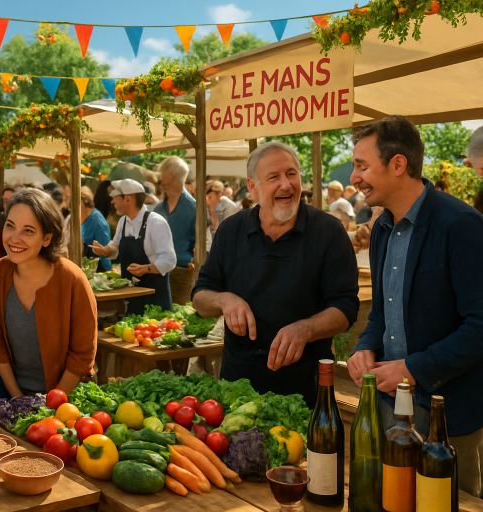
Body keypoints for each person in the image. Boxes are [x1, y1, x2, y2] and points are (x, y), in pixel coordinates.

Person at [346, 115, 483, 497]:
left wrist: (412, 369)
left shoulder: (461, 225)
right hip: (391, 409)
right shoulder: (381, 230)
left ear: (398, 164)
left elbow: (480, 326)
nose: (355, 177)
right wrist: (364, 348)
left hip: (448, 414)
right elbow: (381, 315)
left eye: (362, 165)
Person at [191, 141, 358, 406]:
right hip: (237, 387)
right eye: (274, 177)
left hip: (304, 388)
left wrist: (305, 329)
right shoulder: (231, 230)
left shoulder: (328, 231)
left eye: (292, 174)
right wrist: (224, 300)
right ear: (253, 187)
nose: (286, 184)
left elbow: (346, 307)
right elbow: (199, 297)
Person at [0, 188, 97, 398]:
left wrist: (49, 404)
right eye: (10, 226)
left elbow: (82, 355)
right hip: (9, 390)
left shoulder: (73, 280)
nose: (14, 238)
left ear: (46, 238)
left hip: (68, 395)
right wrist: (18, 399)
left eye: (28, 231)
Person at [91, 179, 177, 315]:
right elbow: (115, 245)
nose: (112, 202)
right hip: (132, 297)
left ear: (128, 199)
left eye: (115, 198)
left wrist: (146, 269)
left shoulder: (156, 222)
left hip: (154, 297)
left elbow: (169, 261)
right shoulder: (123, 221)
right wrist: (105, 251)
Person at [154, 156, 197, 306]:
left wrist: (196, 260)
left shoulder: (194, 208)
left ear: (170, 176)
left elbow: (204, 242)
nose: (159, 179)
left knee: (176, 321)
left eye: (162, 174)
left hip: (181, 273)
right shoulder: (159, 207)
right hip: (155, 271)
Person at [77, 187, 112, 272]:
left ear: (82, 203)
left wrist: (108, 272)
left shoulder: (98, 221)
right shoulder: (81, 219)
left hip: (99, 269)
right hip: (87, 268)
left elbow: (105, 249)